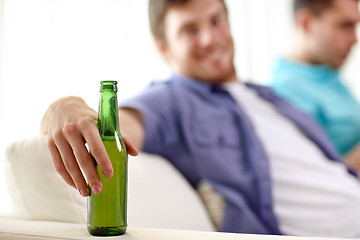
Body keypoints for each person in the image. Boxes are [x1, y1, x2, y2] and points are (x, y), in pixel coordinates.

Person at [40, 0, 360, 237]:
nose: (209, 38)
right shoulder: (171, 101)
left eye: (216, 21)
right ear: (165, 49)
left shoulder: (271, 96)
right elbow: (117, 128)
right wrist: (64, 108)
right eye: (190, 30)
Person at [270, 0, 360, 172]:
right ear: (306, 22)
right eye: (345, 26)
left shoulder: (326, 71)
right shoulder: (288, 92)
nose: (355, 39)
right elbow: (316, 182)